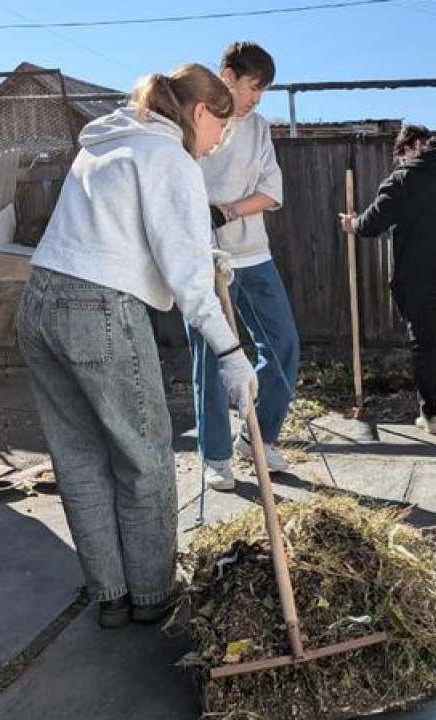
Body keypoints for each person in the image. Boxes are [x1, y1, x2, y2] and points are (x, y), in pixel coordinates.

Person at [16, 64, 255, 629]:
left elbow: (124, 234)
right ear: (200, 112)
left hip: (38, 304)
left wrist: (201, 255)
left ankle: (112, 597)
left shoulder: (107, 142)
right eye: (221, 126)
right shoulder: (169, 156)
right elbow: (189, 282)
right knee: (143, 457)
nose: (220, 140)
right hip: (96, 309)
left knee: (79, 458)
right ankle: (151, 598)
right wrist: (230, 354)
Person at [190, 42, 298, 493]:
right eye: (254, 87)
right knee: (212, 358)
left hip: (255, 256)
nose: (258, 98)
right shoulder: (193, 120)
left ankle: (259, 437)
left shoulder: (257, 128)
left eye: (263, 91)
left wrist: (229, 210)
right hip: (206, 261)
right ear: (228, 75)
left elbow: (272, 194)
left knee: (283, 346)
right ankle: (215, 457)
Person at [339, 124, 436, 436]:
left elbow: (373, 222)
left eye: (401, 155)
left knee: (425, 344)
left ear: (409, 148)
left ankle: (432, 417)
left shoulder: (404, 178)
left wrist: (352, 223)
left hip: (420, 273)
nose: (401, 161)